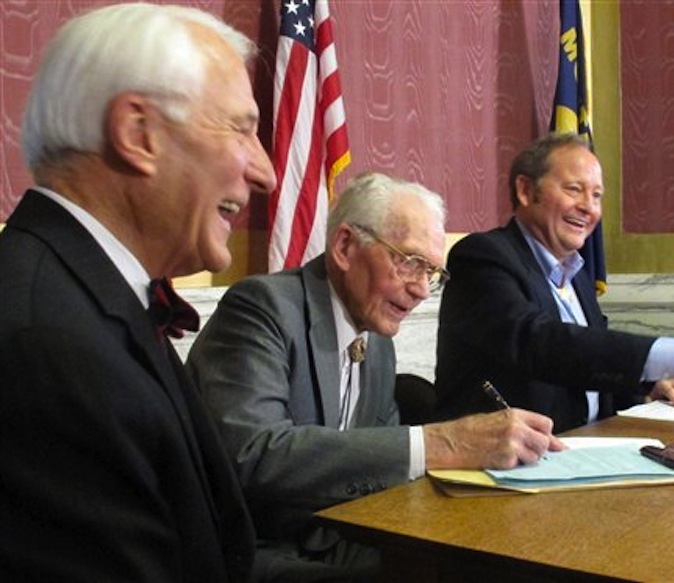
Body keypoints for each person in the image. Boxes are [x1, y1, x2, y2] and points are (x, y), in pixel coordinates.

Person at [0, 4, 276, 581]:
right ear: (137, 134)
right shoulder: (47, 347)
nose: (266, 173)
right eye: (242, 129)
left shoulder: (80, 298)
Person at [186, 172, 563, 581]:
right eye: (410, 263)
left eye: (432, 273)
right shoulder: (264, 308)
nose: (421, 289)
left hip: (339, 537)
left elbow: (378, 469)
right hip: (249, 552)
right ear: (346, 246)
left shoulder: (378, 339)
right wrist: (443, 442)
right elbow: (253, 454)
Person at [434, 133, 674, 434]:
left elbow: (587, 361)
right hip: (500, 470)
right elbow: (540, 342)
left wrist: (645, 386)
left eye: (596, 196)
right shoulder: (483, 257)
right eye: (574, 190)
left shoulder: (576, 274)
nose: (588, 208)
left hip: (583, 454)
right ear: (525, 190)